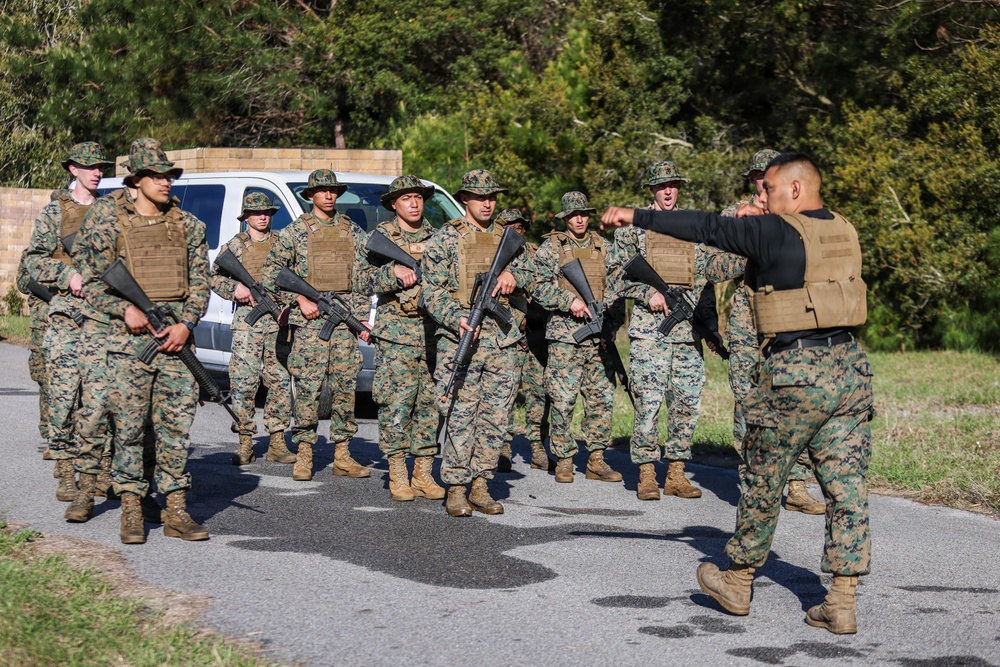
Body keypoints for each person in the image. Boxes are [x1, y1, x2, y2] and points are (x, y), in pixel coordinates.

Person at [601, 152, 874, 635]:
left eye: (767, 189)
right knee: (847, 489)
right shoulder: (844, 229)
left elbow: (707, 228)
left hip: (797, 372)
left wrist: (634, 215)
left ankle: (738, 580)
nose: (760, 197)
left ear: (793, 189)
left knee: (764, 480)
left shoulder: (775, 231)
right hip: (850, 369)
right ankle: (843, 601)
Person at [73, 138, 211, 544]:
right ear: (136, 181)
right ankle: (131, 507)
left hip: (176, 343)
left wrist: (186, 323)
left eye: (168, 175)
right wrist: (125, 311)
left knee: (174, 429)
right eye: (155, 176)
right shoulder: (108, 224)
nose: (165, 182)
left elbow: (201, 284)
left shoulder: (189, 227)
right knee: (130, 428)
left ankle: (176, 510)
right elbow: (94, 283)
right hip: (127, 344)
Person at [606, 161, 738, 501]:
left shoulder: (693, 229)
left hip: (688, 334)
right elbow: (615, 277)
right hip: (651, 334)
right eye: (662, 185)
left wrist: (711, 327)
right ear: (651, 189)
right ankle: (647, 472)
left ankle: (676, 472)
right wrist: (646, 293)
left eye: (673, 185)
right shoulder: (631, 231)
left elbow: (709, 278)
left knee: (686, 404)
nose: (668, 190)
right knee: (648, 404)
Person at [718, 149, 825, 514]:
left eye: (770, 176)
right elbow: (711, 264)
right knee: (749, 405)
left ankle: (796, 485)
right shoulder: (735, 217)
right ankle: (754, 487)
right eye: (758, 177)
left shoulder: (797, 217)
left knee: (793, 402)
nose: (763, 182)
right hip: (748, 324)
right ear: (751, 181)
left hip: (789, 321)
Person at [422, 169, 535, 516]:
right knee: (460, 415)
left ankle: (482, 485)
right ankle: (456, 487)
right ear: (466, 200)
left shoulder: (510, 238)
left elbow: (535, 273)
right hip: (463, 338)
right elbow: (430, 290)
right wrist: (451, 316)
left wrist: (514, 275)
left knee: (496, 416)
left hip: (502, 341)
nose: (487, 203)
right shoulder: (446, 239)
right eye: (479, 197)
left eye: (492, 197)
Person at [262, 169, 372, 482]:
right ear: (310, 195)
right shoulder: (296, 231)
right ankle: (305, 454)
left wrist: (361, 315)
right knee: (308, 391)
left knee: (345, 390)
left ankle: (343, 454)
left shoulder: (352, 231)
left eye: (332, 190)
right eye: (321, 191)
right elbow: (271, 273)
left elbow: (363, 275)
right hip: (310, 326)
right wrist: (298, 297)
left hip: (343, 324)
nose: (328, 195)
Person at [22, 142, 114, 505]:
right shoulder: (53, 213)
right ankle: (64, 470)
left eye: (101, 167)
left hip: (104, 320)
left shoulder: (111, 212)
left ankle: (103, 469)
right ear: (73, 169)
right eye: (89, 166)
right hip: (66, 320)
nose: (97, 172)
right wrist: (68, 276)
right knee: (63, 398)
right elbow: (34, 262)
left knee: (102, 399)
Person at [355, 175, 445, 502]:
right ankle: (398, 473)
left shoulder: (438, 238)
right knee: (397, 403)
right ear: (394, 204)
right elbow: (360, 279)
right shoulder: (380, 237)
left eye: (418, 197)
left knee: (430, 405)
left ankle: (423, 473)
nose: (414, 203)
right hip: (396, 334)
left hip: (433, 334)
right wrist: (389, 274)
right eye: (406, 198)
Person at [532, 192, 623, 484]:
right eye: (573, 215)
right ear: (565, 218)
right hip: (564, 336)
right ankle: (564, 459)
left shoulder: (605, 248)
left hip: (599, 336)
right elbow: (538, 286)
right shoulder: (551, 249)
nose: (579, 219)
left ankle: (596, 459)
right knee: (563, 399)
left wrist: (610, 324)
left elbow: (620, 287)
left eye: (583, 213)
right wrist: (567, 301)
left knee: (600, 399)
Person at [211, 192, 296, 467]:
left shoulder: (283, 244)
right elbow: (214, 276)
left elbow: (298, 278)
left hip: (280, 322)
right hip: (248, 324)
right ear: (246, 216)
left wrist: (290, 305)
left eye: (268, 212)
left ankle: (277, 442)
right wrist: (234, 288)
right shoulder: (235, 246)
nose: (263, 217)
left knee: (280, 383)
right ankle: (245, 441)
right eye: (257, 212)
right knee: (244, 384)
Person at [496, 208, 552, 472]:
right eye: (510, 226)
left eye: (520, 227)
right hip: (508, 333)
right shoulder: (496, 253)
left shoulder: (535, 252)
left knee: (539, 392)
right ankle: (503, 446)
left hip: (536, 333)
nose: (516, 231)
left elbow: (545, 285)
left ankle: (538, 447)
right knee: (506, 391)